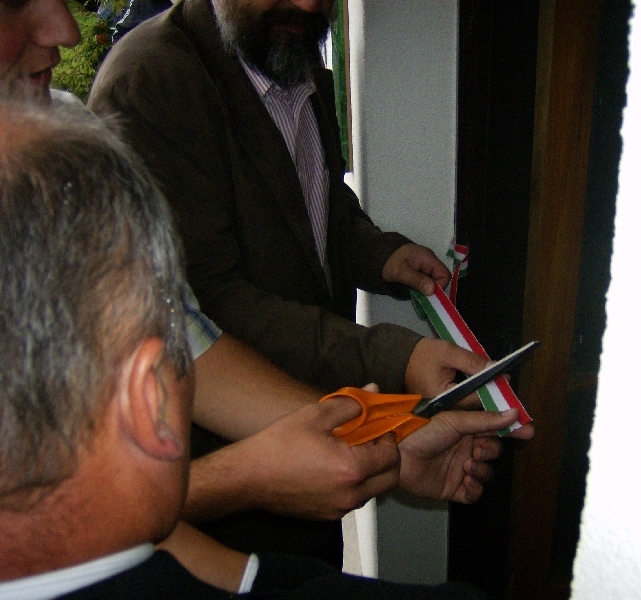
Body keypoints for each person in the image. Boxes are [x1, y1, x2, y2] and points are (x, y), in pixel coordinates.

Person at [1, 0, 535, 580]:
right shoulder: (146, 86)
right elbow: (211, 304)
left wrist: (387, 437)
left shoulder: (284, 56)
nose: (66, 30)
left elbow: (191, 335)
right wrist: (249, 475)